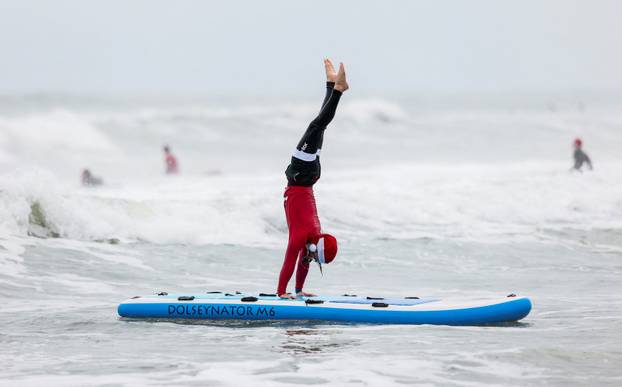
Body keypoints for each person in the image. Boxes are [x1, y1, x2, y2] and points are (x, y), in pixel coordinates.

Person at [277, 59, 348, 299]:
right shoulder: (304, 236)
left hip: (310, 176)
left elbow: (299, 260)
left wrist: (296, 291)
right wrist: (282, 292)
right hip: (302, 174)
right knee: (317, 124)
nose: (307, 257)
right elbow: (291, 260)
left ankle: (331, 84)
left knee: (320, 127)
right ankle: (337, 90)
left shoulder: (311, 234)